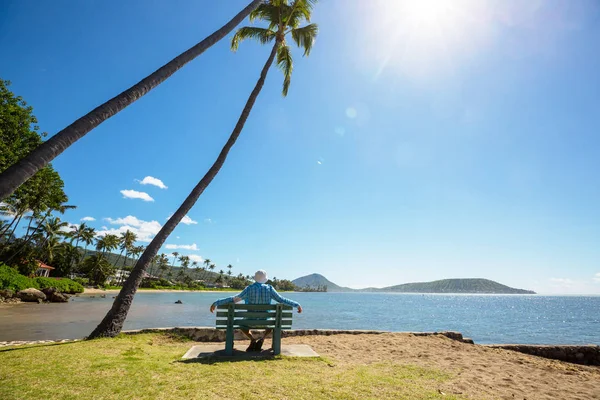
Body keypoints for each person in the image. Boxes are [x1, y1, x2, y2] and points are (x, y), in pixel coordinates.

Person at [210, 270, 302, 352]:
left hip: (249, 320)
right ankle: (262, 339)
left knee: (240, 323)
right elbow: (281, 300)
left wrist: (216, 303)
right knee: (273, 323)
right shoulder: (269, 289)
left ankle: (252, 339)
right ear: (265, 279)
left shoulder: (249, 289)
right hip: (266, 321)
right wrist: (296, 305)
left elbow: (234, 299)